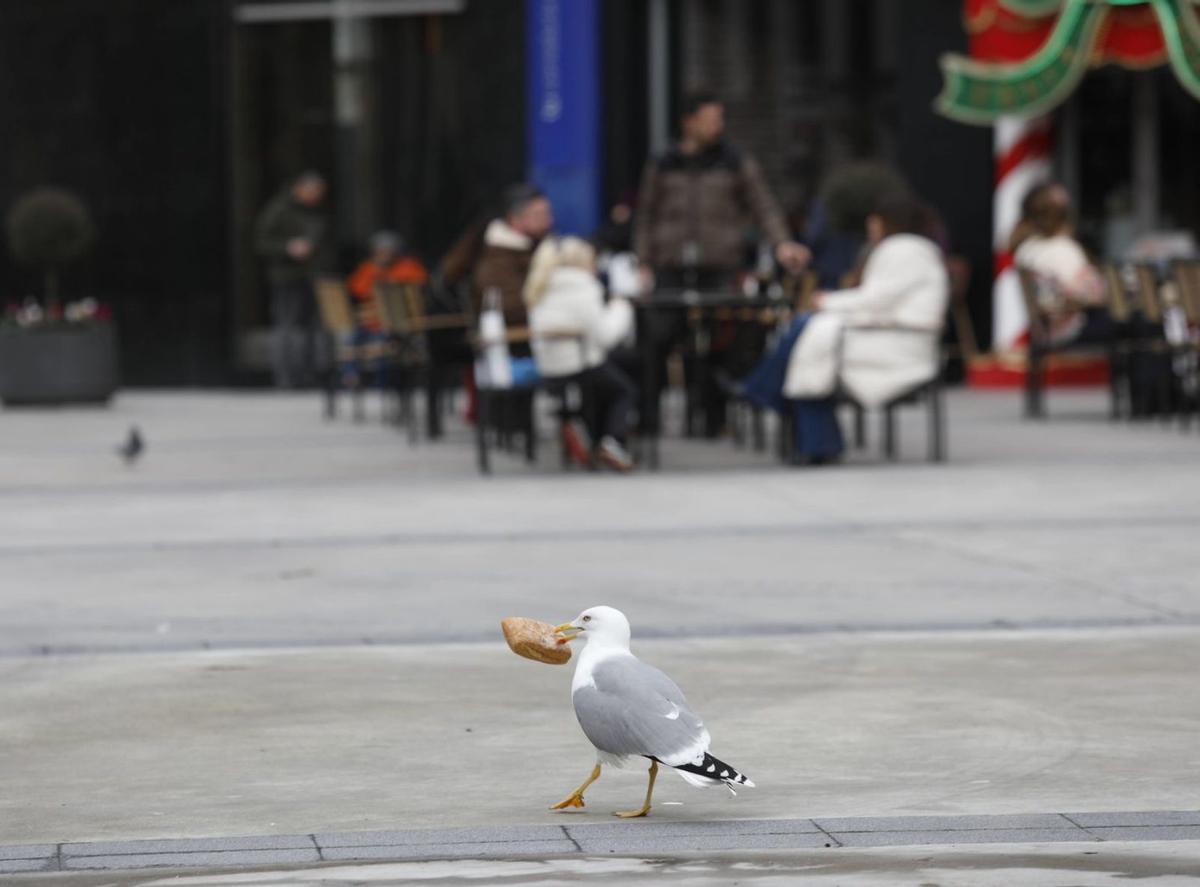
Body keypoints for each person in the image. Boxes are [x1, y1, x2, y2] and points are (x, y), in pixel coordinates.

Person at [633, 91, 810, 436]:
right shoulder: (663, 162)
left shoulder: (734, 160)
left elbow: (764, 206)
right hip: (671, 267)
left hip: (720, 265)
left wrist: (782, 243)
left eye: (720, 119)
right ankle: (648, 420)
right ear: (689, 122)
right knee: (657, 337)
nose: (718, 126)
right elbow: (645, 216)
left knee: (725, 340)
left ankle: (715, 417)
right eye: (711, 119)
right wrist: (643, 261)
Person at [741, 194, 949, 464]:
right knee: (811, 340)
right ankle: (775, 400)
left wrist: (827, 301)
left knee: (809, 338)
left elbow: (877, 300)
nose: (869, 227)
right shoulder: (908, 249)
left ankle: (764, 392)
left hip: (897, 343)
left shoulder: (903, 250)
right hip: (888, 334)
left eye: (874, 221)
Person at [524, 237, 637, 472]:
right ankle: (612, 441)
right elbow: (606, 336)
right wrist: (621, 307)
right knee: (625, 389)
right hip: (580, 365)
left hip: (549, 368)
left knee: (607, 379)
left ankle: (585, 431)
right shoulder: (583, 287)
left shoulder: (539, 284)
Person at [254, 171, 330, 388]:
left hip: (314, 275)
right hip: (286, 276)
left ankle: (312, 375)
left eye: (320, 192)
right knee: (286, 326)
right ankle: (285, 379)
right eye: (312, 191)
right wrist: (288, 248)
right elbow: (261, 242)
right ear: (299, 188)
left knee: (314, 328)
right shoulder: (279, 210)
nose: (316, 196)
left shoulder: (318, 212)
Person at [1011, 183, 1108, 346]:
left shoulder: (1025, 249)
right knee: (1141, 321)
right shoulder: (1064, 248)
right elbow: (1093, 294)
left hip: (1044, 331)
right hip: (1072, 331)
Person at [473, 183, 554, 331]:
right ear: (515, 219)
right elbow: (509, 309)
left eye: (547, 213)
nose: (548, 221)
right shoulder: (497, 258)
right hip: (517, 342)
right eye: (538, 215)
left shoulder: (542, 248)